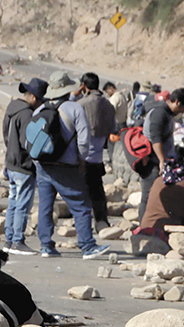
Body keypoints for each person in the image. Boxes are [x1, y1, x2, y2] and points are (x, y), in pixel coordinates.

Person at [34, 71, 109, 259]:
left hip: (43, 165)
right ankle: (87, 246)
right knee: (81, 206)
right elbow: (84, 141)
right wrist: (81, 159)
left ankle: (46, 246)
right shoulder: (75, 109)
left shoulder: (40, 109)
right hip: (66, 166)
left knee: (45, 206)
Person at [139, 86, 184, 219]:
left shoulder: (167, 113)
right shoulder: (160, 113)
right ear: (177, 102)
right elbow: (155, 138)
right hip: (153, 162)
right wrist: (162, 161)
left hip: (159, 161)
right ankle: (144, 228)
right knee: (149, 196)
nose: (182, 111)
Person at [2, 78, 42, 256]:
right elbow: (28, 141)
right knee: (22, 205)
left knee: (12, 203)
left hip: (11, 163)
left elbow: (5, 135)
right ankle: (18, 240)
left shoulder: (11, 110)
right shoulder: (26, 114)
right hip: (23, 166)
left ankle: (9, 239)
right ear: (33, 97)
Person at [77, 72, 116, 231]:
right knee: (97, 190)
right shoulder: (108, 105)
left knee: (81, 193)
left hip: (82, 156)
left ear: (84, 86)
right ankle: (101, 221)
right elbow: (113, 129)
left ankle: (83, 225)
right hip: (99, 156)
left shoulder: (81, 103)